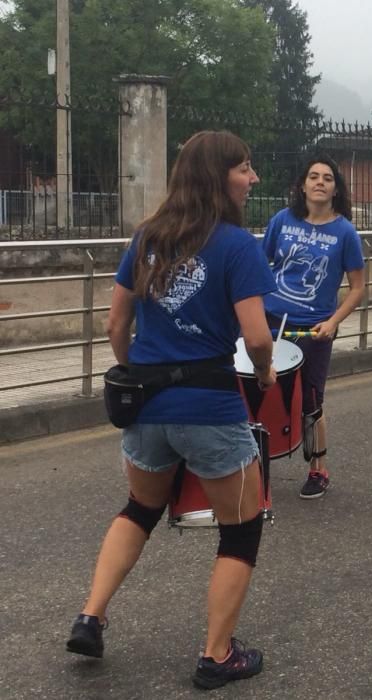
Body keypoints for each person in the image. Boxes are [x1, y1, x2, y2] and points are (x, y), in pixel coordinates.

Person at [66, 131, 277, 689]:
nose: (253, 179)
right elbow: (256, 336)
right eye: (245, 169)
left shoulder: (148, 238)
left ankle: (91, 615)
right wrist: (263, 372)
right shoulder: (237, 245)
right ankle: (217, 655)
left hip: (147, 404)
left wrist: (138, 369)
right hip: (209, 407)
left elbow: (115, 325)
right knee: (241, 530)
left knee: (139, 509)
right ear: (217, 177)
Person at [262, 155, 366, 499]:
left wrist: (333, 322)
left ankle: (318, 469)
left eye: (327, 178)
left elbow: (358, 288)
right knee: (257, 392)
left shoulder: (345, 232)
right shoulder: (282, 220)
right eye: (313, 176)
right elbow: (262, 266)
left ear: (336, 188)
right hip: (271, 321)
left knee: (311, 401)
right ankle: (253, 460)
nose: (320, 182)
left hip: (313, 329)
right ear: (302, 185)